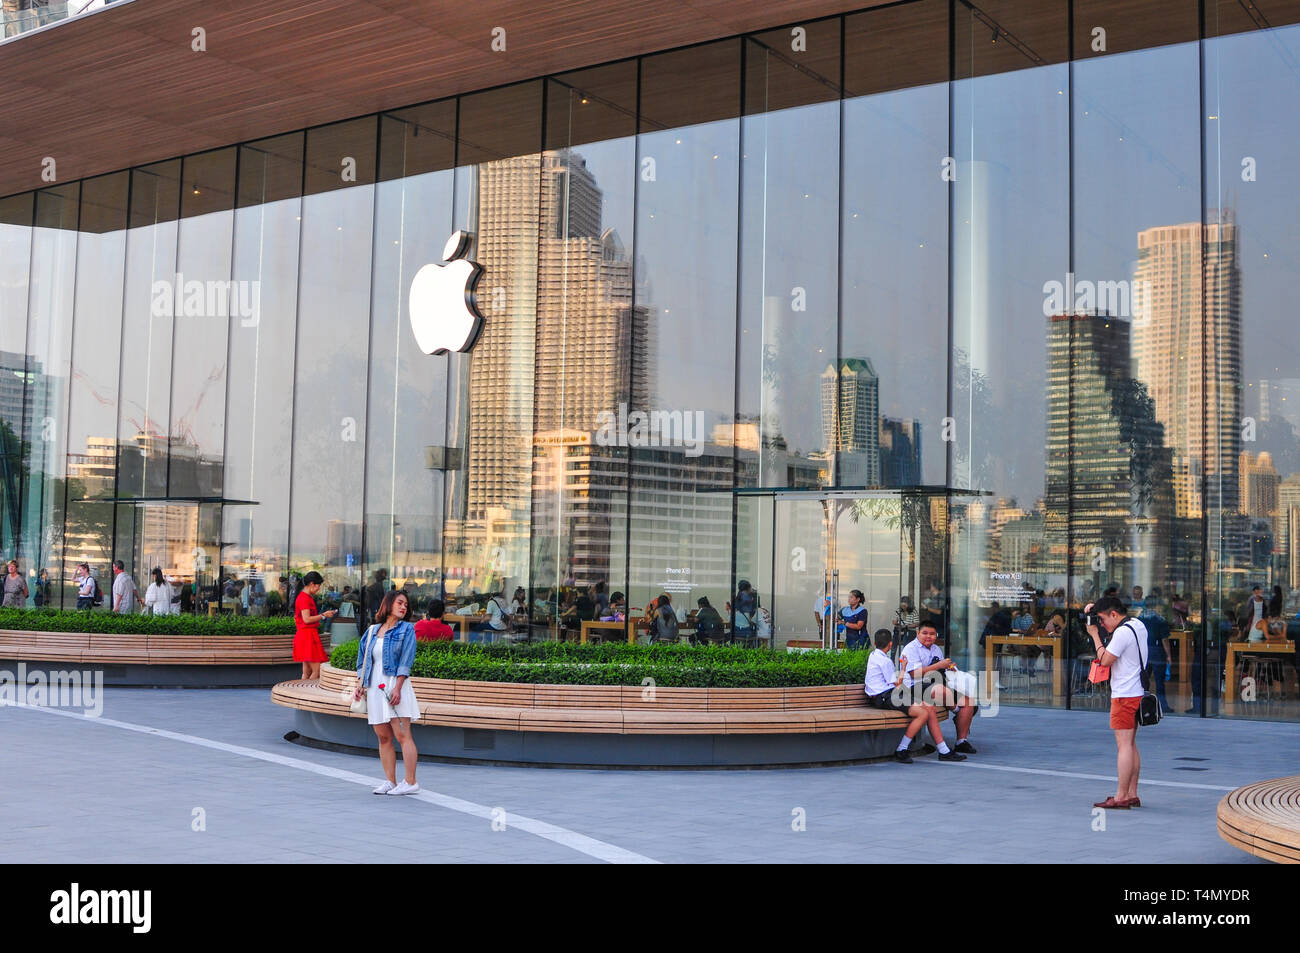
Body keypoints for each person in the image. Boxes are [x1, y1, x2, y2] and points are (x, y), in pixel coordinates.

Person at [352, 589, 421, 796]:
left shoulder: (407, 630)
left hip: (395, 686)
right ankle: (390, 781)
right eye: (400, 603)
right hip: (374, 687)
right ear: (389, 604)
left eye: (406, 605)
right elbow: (362, 660)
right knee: (383, 737)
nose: (403, 607)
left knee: (402, 735)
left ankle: (410, 782)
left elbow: (406, 661)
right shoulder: (373, 630)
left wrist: (398, 688)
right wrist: (359, 684)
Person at [1086, 595, 1150, 810]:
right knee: (1131, 744)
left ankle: (1121, 796)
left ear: (1114, 614)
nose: (1102, 625)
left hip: (1124, 695)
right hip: (1137, 693)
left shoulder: (1121, 633)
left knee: (1124, 746)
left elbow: (1105, 659)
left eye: (1103, 619)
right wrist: (1093, 610)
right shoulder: (1137, 625)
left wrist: (1095, 635)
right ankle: (1132, 793)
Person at [864, 629, 947, 764]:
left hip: (887, 695)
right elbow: (897, 682)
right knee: (922, 713)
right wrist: (903, 668)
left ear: (874, 643)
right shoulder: (885, 661)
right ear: (891, 644)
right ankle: (902, 749)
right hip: (885, 696)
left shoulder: (873, 655)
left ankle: (942, 750)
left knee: (927, 707)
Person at [900, 620, 974, 757]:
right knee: (940, 690)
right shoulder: (910, 649)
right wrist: (939, 665)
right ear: (918, 633)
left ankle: (961, 742)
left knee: (968, 702)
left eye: (932, 634)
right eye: (925, 633)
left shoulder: (936, 649)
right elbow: (914, 674)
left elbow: (941, 669)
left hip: (935, 684)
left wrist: (949, 666)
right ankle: (956, 710)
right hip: (914, 686)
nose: (928, 636)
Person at [293, 570, 336, 680]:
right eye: (318, 586)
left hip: (304, 636)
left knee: (306, 672)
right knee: (317, 671)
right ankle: (308, 695)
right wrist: (323, 615)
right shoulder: (304, 598)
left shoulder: (303, 597)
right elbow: (307, 619)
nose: (318, 589)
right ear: (311, 584)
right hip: (308, 637)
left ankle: (301, 695)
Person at [1138, 599, 1173, 715]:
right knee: (1159, 680)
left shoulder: (1140, 619)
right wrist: (1168, 655)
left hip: (1144, 651)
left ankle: (1140, 704)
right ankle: (1162, 706)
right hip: (1157, 651)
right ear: (1156, 606)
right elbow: (1164, 639)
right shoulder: (1160, 620)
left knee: (1143, 680)